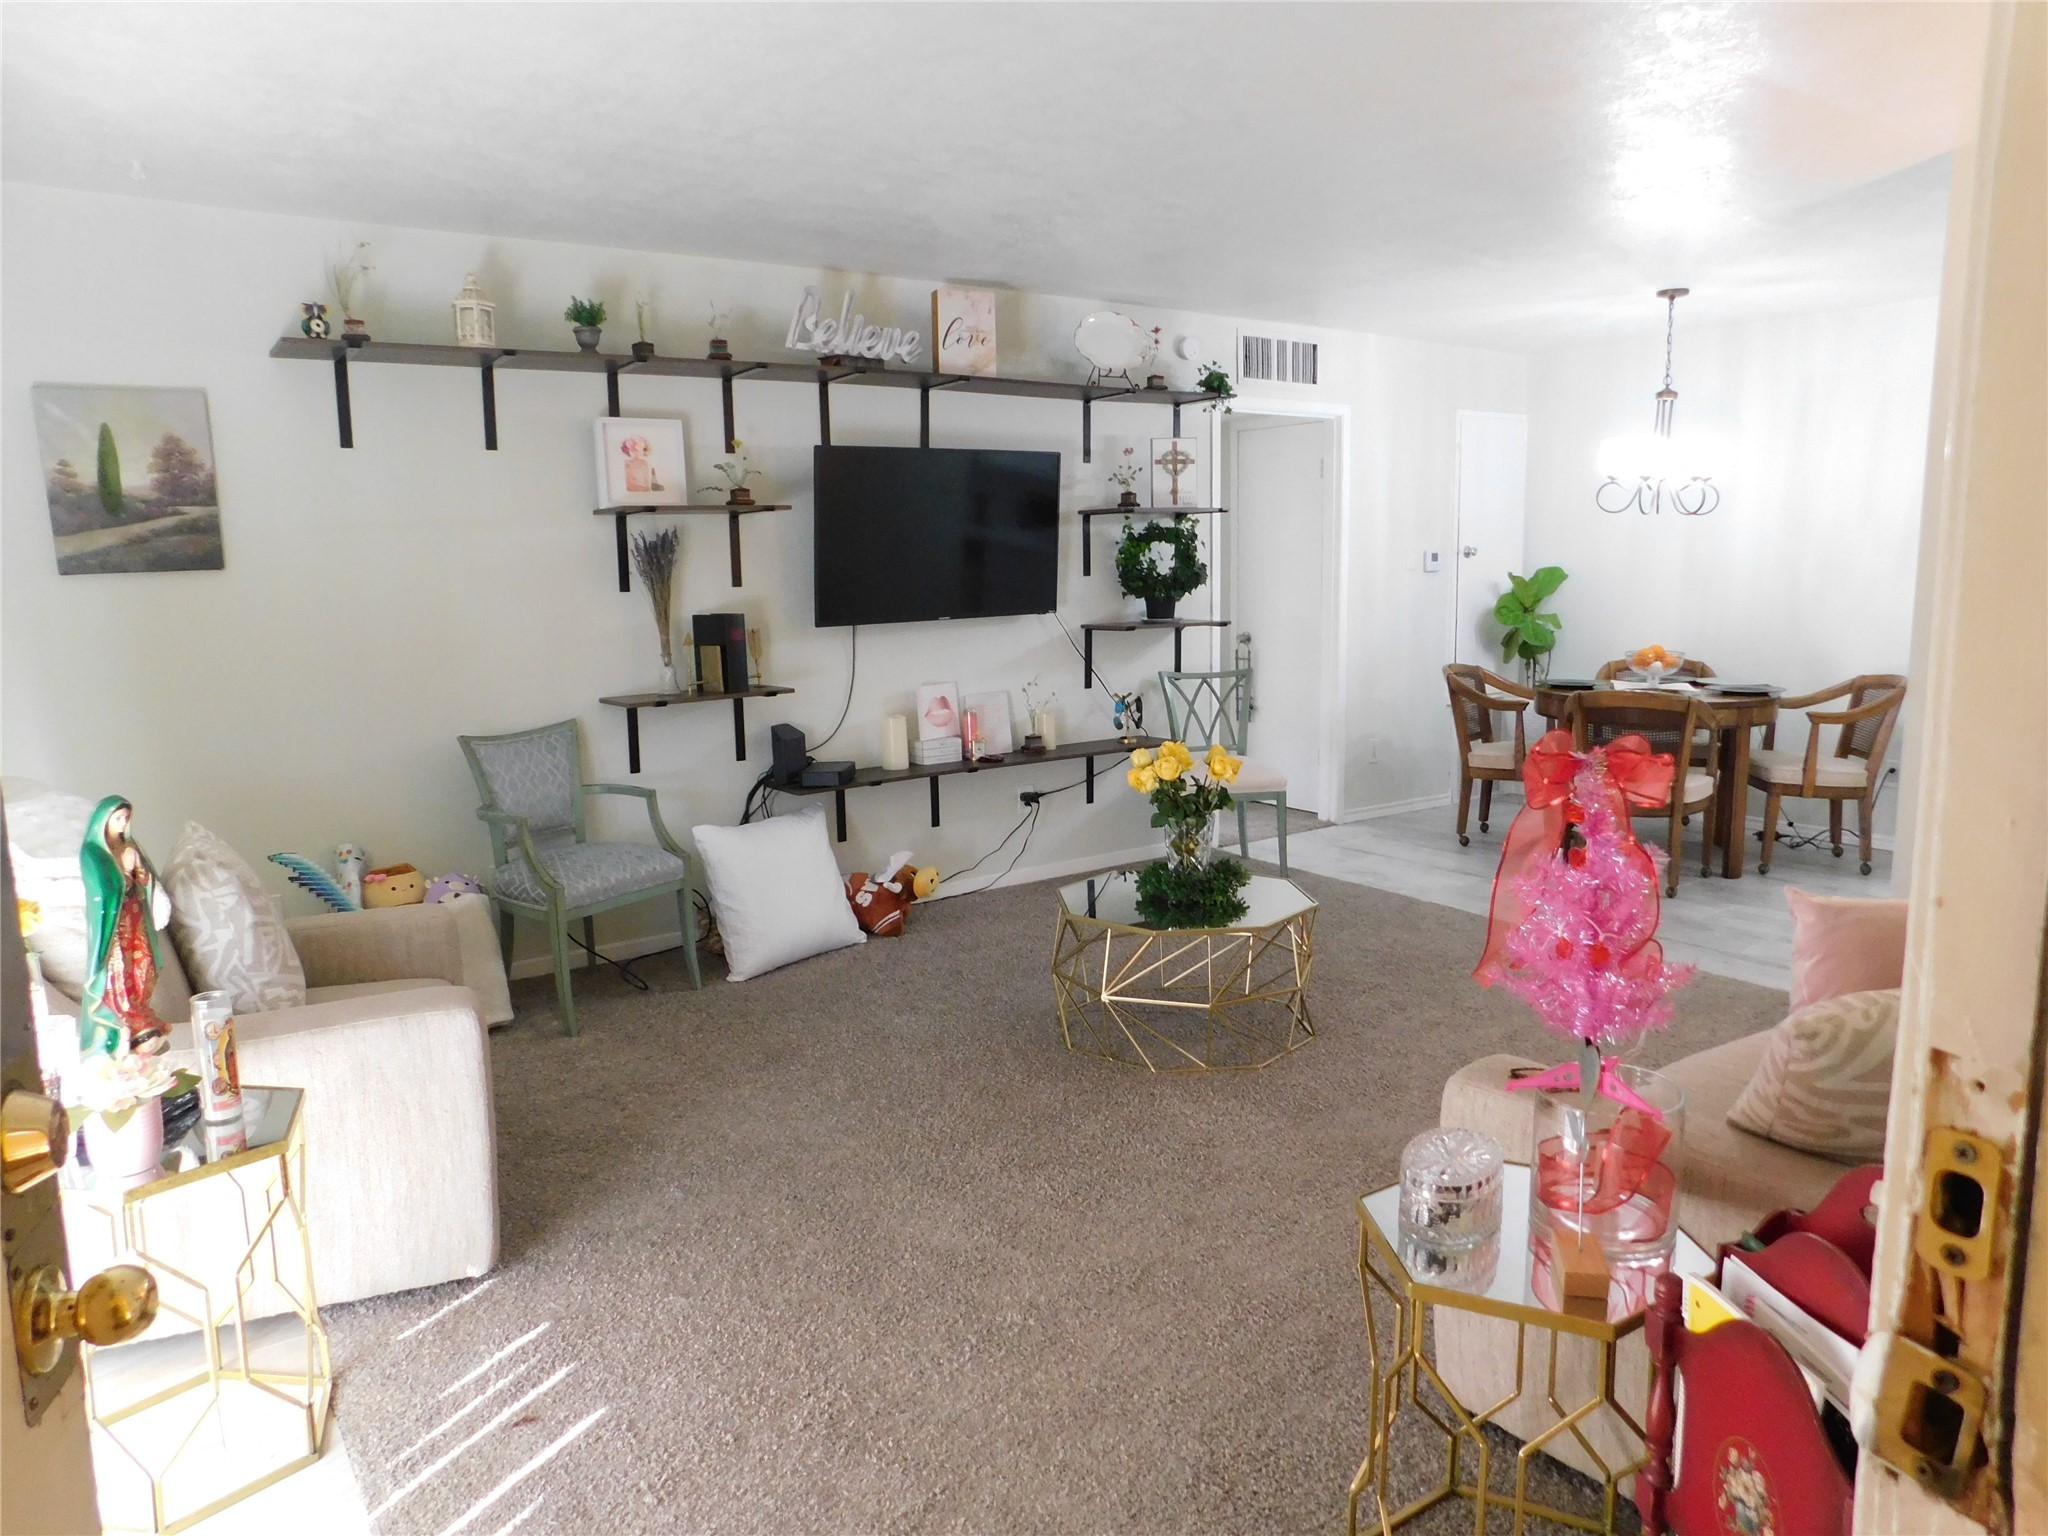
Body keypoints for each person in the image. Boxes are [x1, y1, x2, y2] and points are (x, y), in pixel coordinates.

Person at [79, 796, 172, 1059]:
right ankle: (121, 1019)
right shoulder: (93, 852)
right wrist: (123, 871)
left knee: (142, 963)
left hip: (135, 917)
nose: (122, 824)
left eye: (126, 819)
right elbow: (101, 890)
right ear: (104, 819)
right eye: (118, 818)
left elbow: (144, 881)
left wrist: (139, 871)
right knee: (117, 969)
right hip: (113, 924)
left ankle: (140, 1014)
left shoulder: (130, 846)